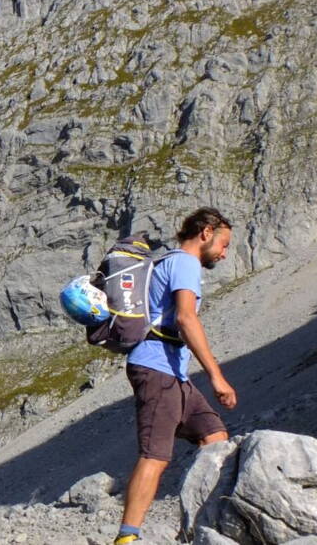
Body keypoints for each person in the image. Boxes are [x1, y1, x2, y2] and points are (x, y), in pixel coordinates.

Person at [115, 208, 238, 545]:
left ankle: (207, 523)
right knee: (155, 455)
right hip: (157, 369)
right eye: (224, 245)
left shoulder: (168, 261)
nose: (224, 254)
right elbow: (186, 319)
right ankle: (127, 538)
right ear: (206, 233)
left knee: (214, 436)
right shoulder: (185, 263)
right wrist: (217, 377)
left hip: (174, 372)